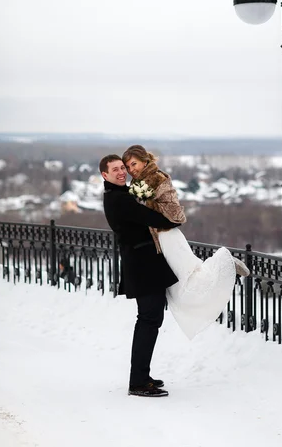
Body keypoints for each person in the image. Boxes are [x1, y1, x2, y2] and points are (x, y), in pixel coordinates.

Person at [122, 145, 250, 341]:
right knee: (179, 287)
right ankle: (221, 264)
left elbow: (170, 212)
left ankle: (225, 261)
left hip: (168, 237)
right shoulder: (140, 183)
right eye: (128, 167)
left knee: (188, 278)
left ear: (144, 161)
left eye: (133, 164)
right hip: (159, 240)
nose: (131, 170)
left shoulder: (155, 178)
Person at [99, 154, 180, 398]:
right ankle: (138, 382)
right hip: (142, 266)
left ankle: (141, 376)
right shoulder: (119, 199)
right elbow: (153, 219)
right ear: (105, 175)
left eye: (123, 167)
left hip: (143, 264)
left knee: (150, 320)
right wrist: (169, 214)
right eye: (115, 170)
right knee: (148, 320)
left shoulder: (121, 195)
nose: (122, 172)